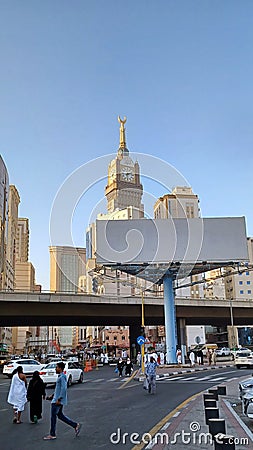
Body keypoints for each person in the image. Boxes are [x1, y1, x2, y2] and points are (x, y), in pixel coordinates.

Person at [43, 361, 82, 440]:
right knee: (60, 416)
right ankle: (75, 425)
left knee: (53, 417)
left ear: (60, 368)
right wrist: (52, 395)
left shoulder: (62, 377)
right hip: (56, 399)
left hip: (57, 401)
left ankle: (52, 434)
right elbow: (59, 389)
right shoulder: (60, 377)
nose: (55, 369)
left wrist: (59, 398)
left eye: (56, 367)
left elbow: (64, 388)